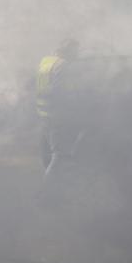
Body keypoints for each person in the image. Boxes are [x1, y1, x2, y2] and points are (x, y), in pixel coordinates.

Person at [36, 39, 80, 168]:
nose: (76, 54)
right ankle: (49, 187)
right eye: (75, 50)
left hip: (43, 112)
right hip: (58, 116)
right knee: (60, 155)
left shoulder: (46, 62)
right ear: (66, 50)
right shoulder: (62, 65)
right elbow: (60, 92)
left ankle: (51, 179)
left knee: (48, 154)